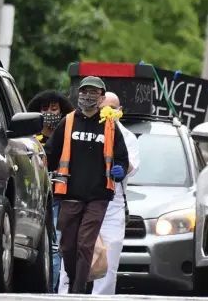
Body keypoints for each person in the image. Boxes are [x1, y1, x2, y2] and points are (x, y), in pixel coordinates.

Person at [44, 76, 129, 294]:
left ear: (101, 97)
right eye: (84, 92)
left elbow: (121, 157)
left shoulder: (110, 125)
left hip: (98, 196)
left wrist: (118, 170)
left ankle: (78, 291)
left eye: (93, 93)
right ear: (78, 94)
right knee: (68, 246)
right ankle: (75, 282)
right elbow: (50, 155)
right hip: (69, 194)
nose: (88, 96)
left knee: (85, 243)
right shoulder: (69, 122)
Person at [58, 91, 140, 295]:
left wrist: (120, 165)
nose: (108, 112)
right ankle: (65, 294)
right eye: (104, 108)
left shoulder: (127, 137)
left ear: (120, 111)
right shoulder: (84, 127)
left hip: (112, 206)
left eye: (113, 109)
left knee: (109, 262)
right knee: (72, 252)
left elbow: (132, 166)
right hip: (83, 203)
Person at [27, 89, 74, 292]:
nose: (49, 112)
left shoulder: (69, 136)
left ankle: (51, 291)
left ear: (62, 112)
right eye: (44, 108)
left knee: (55, 248)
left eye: (54, 108)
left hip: (60, 197)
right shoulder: (30, 139)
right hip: (33, 198)